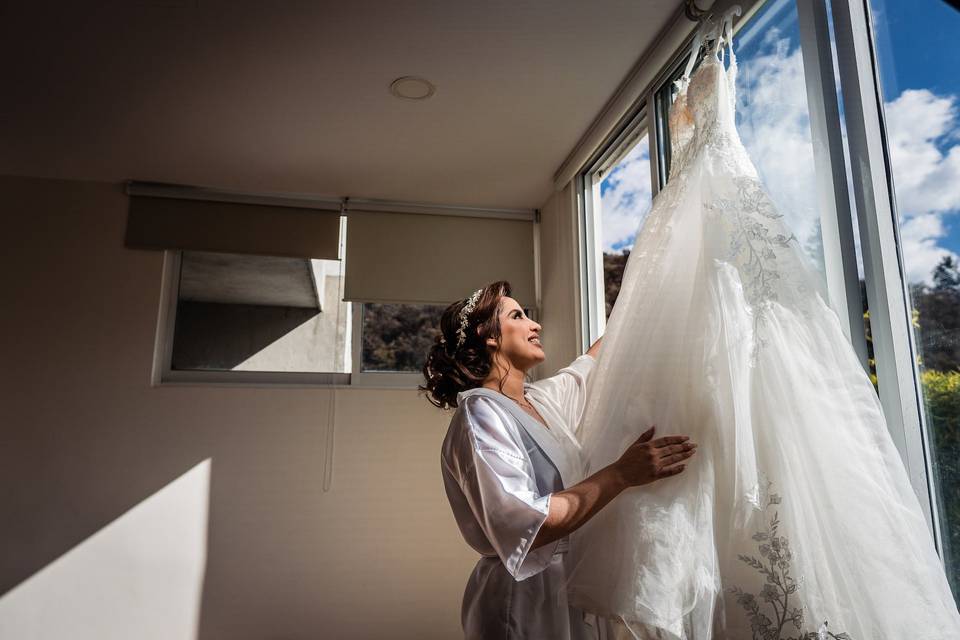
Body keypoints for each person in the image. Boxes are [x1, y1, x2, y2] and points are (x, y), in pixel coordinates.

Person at [420, 280, 699, 639]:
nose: (535, 326)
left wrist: (654, 287)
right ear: (488, 335)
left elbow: (591, 364)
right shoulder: (480, 414)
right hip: (521, 601)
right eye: (518, 316)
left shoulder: (539, 402)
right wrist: (622, 474)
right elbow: (524, 523)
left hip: (568, 587)